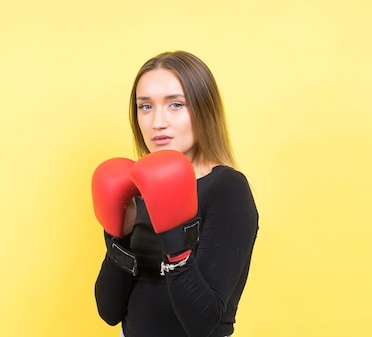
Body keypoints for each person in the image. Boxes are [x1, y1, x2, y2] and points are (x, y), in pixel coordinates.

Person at [91, 51, 259, 337]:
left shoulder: (227, 189)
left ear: (204, 110)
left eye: (176, 104)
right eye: (145, 107)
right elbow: (110, 311)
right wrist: (118, 235)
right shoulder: (136, 186)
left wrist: (173, 233)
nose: (158, 122)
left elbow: (201, 322)